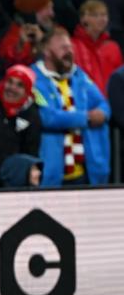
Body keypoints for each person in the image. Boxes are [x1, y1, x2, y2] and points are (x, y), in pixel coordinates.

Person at [31, 27, 110, 186]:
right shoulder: (33, 78)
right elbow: (47, 117)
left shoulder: (79, 76)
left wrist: (103, 112)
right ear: (47, 51)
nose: (69, 52)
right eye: (63, 48)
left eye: (70, 47)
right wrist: (86, 117)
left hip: (87, 171)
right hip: (51, 172)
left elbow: (103, 104)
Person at [71, 0, 122, 97]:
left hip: (112, 104)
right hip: (84, 105)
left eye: (104, 15)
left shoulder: (113, 47)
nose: (102, 19)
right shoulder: (72, 46)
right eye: (95, 15)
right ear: (83, 19)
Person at [0, 0, 55, 68]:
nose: (52, 14)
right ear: (31, 13)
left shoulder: (53, 31)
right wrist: (20, 46)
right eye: (47, 8)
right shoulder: (12, 38)